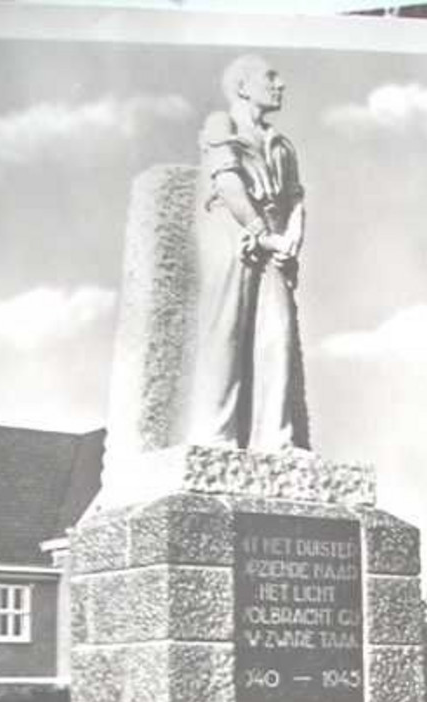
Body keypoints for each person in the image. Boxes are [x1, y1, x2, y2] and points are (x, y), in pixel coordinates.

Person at [186, 55, 310, 450]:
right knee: (226, 331)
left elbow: (295, 199)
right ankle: (215, 435)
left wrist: (291, 237)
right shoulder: (222, 126)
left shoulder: (281, 144)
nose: (281, 84)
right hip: (233, 235)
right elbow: (227, 183)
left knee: (279, 337)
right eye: (270, 77)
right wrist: (261, 233)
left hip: (274, 243)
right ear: (243, 86)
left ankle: (277, 439)